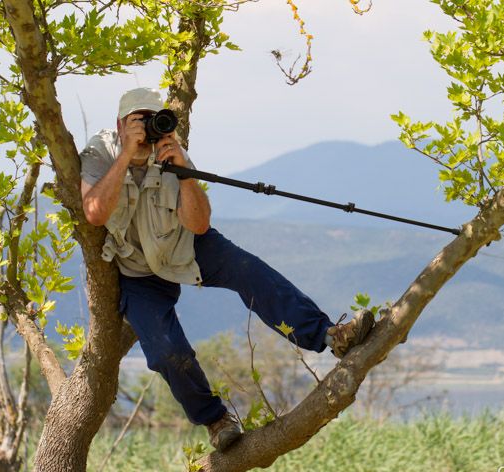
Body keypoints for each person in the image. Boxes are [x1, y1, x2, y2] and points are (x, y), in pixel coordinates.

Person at [79, 88, 374, 452]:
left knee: (249, 271)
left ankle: (331, 337)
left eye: (151, 120)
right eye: (137, 121)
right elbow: (93, 212)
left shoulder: (173, 150)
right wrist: (127, 154)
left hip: (184, 244)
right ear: (120, 124)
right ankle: (216, 421)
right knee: (167, 351)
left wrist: (185, 174)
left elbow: (199, 225)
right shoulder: (99, 152)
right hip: (137, 272)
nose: (146, 130)